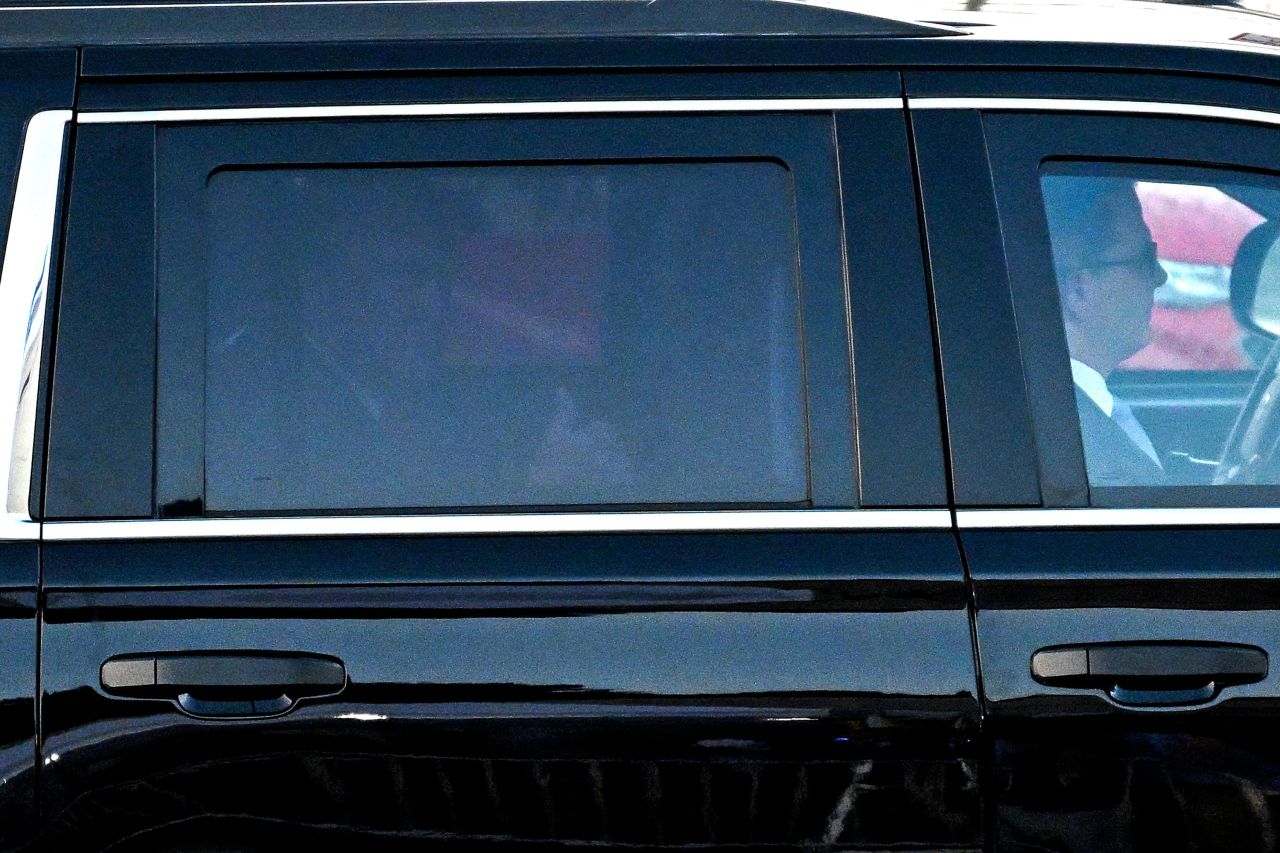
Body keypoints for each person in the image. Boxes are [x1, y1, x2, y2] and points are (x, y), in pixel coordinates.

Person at [1043, 175, 1170, 485]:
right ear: (1079, 292)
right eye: (1145, 260)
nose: (1160, 276)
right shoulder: (1094, 463)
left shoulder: (1057, 413)